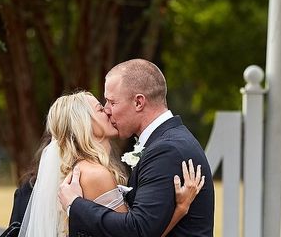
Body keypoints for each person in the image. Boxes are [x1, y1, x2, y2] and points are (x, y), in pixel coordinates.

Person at [13, 90, 204, 237]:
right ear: (84, 123)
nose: (107, 110)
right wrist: (180, 209)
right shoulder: (95, 174)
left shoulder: (81, 169)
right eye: (99, 108)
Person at [58, 59, 215, 236]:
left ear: (139, 102)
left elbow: (138, 230)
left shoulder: (167, 150)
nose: (107, 110)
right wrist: (179, 209)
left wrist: (75, 205)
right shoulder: (165, 143)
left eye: (112, 102)